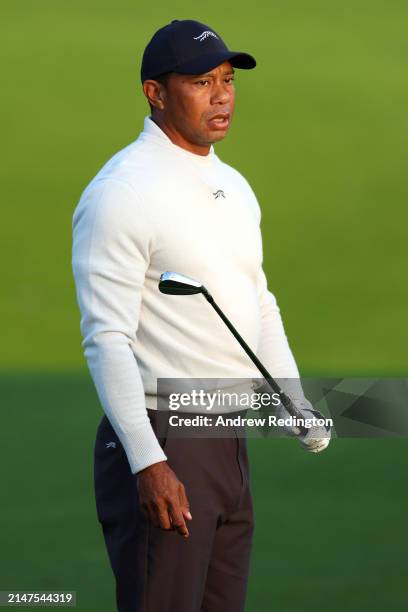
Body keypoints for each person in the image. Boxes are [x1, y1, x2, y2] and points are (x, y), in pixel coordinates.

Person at [72, 19, 330, 612]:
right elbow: (106, 338)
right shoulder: (122, 192)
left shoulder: (234, 185)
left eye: (227, 79)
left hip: (226, 435)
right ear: (155, 94)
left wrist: (294, 400)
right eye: (200, 81)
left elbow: (257, 301)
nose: (221, 95)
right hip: (165, 439)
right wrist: (150, 461)